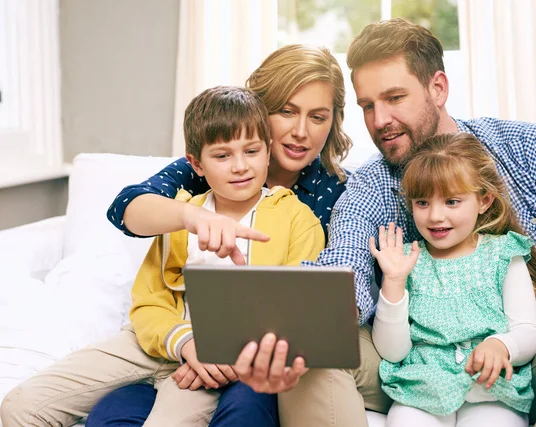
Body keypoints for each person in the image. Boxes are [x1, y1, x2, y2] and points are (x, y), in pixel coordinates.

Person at [294, 17, 536, 427]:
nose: (379, 120)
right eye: (367, 105)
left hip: (529, 357)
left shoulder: (532, 148)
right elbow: (345, 256)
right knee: (310, 348)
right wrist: (317, 311)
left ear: (438, 88)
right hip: (412, 370)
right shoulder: (371, 185)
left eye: (395, 97)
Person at [89, 44, 391, 427]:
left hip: (288, 335)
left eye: (318, 117)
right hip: (201, 336)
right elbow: (125, 208)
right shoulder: (208, 168)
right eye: (286, 111)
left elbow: (328, 294)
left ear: (333, 122)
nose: (301, 131)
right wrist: (190, 217)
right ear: (259, 109)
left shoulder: (336, 190)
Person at [0, 86, 325, 427]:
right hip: (156, 344)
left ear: (268, 151)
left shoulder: (296, 219)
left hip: (218, 357)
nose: (240, 166)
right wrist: (184, 342)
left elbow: (295, 313)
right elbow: (148, 303)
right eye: (222, 156)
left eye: (251, 150)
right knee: (21, 406)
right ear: (196, 164)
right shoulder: (181, 215)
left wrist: (219, 353)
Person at [370, 132, 536, 426]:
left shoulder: (503, 254)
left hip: (492, 391)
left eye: (451, 201)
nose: (435, 216)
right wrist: (394, 282)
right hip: (421, 391)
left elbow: (529, 331)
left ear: (484, 201)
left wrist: (501, 345)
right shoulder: (408, 261)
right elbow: (392, 352)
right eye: (422, 203)